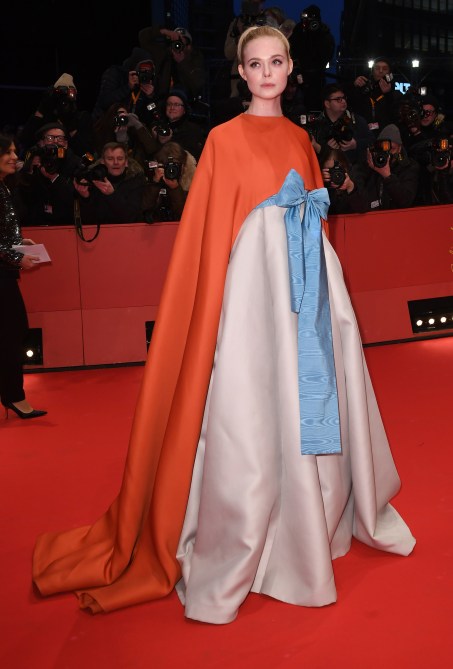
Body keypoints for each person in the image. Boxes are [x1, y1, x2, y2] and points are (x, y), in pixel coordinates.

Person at [32, 26, 415, 624]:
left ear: (290, 68)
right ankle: (247, 527)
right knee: (250, 413)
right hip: (248, 306)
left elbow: (314, 223)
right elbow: (210, 235)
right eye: (255, 63)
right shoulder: (221, 139)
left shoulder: (301, 139)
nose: (266, 73)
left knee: (303, 401)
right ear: (241, 72)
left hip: (303, 298)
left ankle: (307, 516)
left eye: (276, 61)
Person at [0, 133, 47, 420]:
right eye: (8, 152)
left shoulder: (4, 187)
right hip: (2, 275)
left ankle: (13, 395)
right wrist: (17, 257)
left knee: (13, 331)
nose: (15, 157)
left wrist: (19, 242)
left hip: (4, 273)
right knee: (12, 331)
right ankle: (14, 396)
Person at [15, 123, 83, 226]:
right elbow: (24, 198)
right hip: (36, 223)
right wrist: (30, 171)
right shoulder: (34, 160)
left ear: (66, 143)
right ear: (41, 143)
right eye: (50, 138)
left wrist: (54, 178)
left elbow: (76, 199)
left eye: (60, 138)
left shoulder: (76, 163)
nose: (55, 141)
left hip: (67, 223)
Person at [19, 73, 95, 159]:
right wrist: (42, 109)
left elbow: (87, 154)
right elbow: (24, 141)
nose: (63, 103)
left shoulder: (81, 118)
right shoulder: (46, 116)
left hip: (70, 163)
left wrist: (72, 127)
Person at [73, 142, 147, 225]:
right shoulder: (93, 179)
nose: (116, 162)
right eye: (110, 159)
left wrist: (112, 195)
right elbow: (87, 220)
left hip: (128, 230)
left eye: (120, 159)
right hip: (99, 231)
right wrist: (85, 198)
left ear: (126, 162)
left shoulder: (136, 180)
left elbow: (131, 217)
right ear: (102, 162)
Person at [352, 123, 420, 211]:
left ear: (399, 148)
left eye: (392, 149)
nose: (388, 154)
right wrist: (365, 164)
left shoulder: (410, 167)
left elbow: (405, 201)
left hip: (399, 217)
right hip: (374, 217)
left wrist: (388, 176)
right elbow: (358, 204)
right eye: (383, 149)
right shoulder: (368, 165)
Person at [309, 84, 374, 164]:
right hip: (325, 169)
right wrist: (325, 149)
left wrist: (356, 144)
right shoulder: (317, 125)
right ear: (327, 104)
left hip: (355, 168)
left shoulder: (357, 120)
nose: (343, 101)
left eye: (344, 98)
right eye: (338, 99)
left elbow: (372, 141)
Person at [289, 5, 335, 111]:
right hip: (300, 74)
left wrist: (317, 35)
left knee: (316, 103)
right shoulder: (299, 31)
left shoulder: (324, 33)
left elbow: (327, 54)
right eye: (306, 18)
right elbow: (292, 49)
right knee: (298, 103)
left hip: (318, 76)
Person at [142, 141, 197, 223]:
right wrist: (155, 183)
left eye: (175, 166)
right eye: (168, 166)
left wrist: (175, 189)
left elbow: (186, 215)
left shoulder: (193, 182)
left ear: (183, 166)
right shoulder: (155, 178)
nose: (171, 170)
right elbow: (144, 209)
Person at [348, 57, 401, 136]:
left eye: (385, 69)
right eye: (377, 68)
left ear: (390, 74)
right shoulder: (364, 90)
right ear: (372, 72)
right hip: (364, 134)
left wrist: (388, 94)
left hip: (387, 135)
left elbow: (396, 116)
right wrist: (354, 86)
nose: (380, 71)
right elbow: (351, 106)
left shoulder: (396, 94)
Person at [150, 88, 207, 161]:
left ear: (184, 110)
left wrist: (167, 143)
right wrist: (155, 140)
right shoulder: (158, 127)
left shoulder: (193, 130)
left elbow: (192, 158)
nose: (172, 107)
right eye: (169, 104)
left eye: (176, 104)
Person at [318, 147, 366, 214]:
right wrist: (320, 182)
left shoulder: (355, 178)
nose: (335, 174)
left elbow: (362, 209)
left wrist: (351, 187)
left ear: (346, 167)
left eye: (338, 169)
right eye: (330, 170)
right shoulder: (320, 184)